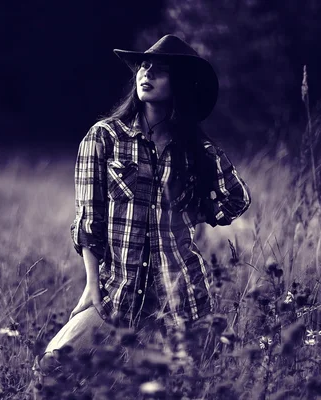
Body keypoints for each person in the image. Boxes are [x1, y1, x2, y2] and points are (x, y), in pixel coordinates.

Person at [32, 34, 251, 396]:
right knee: (53, 368)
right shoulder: (105, 138)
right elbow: (89, 221)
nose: (146, 73)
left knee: (172, 391)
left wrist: (189, 211)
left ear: (178, 84)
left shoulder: (195, 148)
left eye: (159, 70)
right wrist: (91, 285)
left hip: (182, 300)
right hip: (117, 292)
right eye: (143, 66)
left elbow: (236, 199)